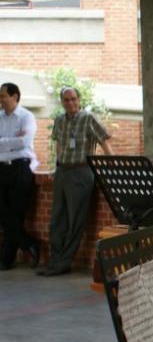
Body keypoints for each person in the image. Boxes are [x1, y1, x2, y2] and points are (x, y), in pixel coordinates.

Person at [39, 87, 114, 276]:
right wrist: (56, 165)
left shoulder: (88, 118)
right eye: (66, 100)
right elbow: (58, 144)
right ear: (62, 102)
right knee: (57, 219)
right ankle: (55, 260)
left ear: (79, 100)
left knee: (75, 221)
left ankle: (63, 263)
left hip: (81, 172)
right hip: (62, 172)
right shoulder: (59, 120)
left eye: (73, 99)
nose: (70, 103)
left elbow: (104, 141)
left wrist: (113, 167)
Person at [0, 82, 39, 271]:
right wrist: (13, 141)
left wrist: (3, 142)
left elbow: (25, 141)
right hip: (1, 168)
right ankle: (29, 243)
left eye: (3, 96)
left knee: (16, 213)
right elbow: (17, 141)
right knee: (5, 213)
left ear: (14, 96)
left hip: (20, 168)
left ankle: (6, 260)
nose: (0, 100)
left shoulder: (26, 116)